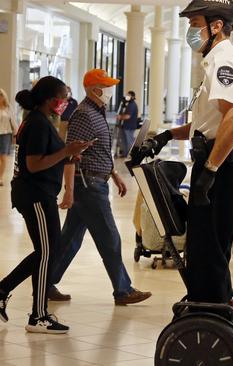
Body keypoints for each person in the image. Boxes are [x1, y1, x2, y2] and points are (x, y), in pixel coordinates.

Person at [141, 0, 233, 304]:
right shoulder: (215, 61)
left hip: (226, 166)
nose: (190, 31)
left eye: (195, 24)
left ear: (216, 26)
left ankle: (211, 310)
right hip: (222, 162)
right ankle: (213, 303)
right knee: (205, 246)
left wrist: (209, 171)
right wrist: (168, 134)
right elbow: (209, 123)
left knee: (209, 248)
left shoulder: (224, 61)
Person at [0, 76, 93, 334]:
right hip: (34, 195)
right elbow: (34, 164)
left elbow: (46, 157)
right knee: (46, 252)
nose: (65, 102)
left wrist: (68, 152)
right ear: (49, 99)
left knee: (47, 251)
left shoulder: (41, 121)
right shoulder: (38, 123)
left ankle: (1, 291)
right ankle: (38, 315)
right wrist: (66, 152)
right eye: (62, 98)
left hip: (39, 193)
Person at [47, 69, 152, 305]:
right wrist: (70, 190)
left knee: (70, 238)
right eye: (106, 86)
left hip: (95, 181)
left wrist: (114, 173)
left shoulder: (96, 112)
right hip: (88, 186)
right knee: (110, 238)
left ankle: (46, 282)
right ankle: (123, 291)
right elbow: (72, 154)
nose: (110, 91)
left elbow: (97, 150)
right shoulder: (84, 114)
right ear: (95, 90)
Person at [116, 90, 139, 157]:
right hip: (125, 126)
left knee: (129, 141)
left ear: (133, 96)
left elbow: (128, 116)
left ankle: (132, 155)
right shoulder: (128, 104)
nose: (127, 96)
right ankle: (125, 154)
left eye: (129, 95)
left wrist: (120, 117)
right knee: (124, 141)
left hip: (129, 126)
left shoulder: (132, 105)